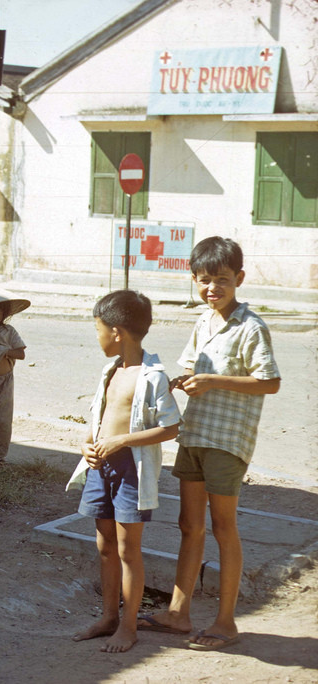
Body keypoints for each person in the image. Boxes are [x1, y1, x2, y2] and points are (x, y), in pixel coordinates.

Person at [136, 237, 280, 652]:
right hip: (195, 434)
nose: (212, 288)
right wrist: (182, 382)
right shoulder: (205, 320)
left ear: (239, 278)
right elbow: (193, 368)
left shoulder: (252, 326)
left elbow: (269, 382)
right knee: (189, 526)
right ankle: (178, 614)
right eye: (204, 280)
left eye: (221, 280)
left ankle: (226, 622)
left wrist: (214, 380)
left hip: (227, 441)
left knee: (223, 527)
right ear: (194, 280)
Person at [66, 289, 182, 653]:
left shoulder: (152, 377)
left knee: (128, 549)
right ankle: (108, 617)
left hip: (132, 471)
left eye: (98, 329)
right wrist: (90, 442)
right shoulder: (110, 370)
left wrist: (122, 442)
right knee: (104, 545)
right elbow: (98, 419)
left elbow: (171, 426)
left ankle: (128, 626)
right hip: (101, 467)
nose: (97, 336)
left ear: (116, 331)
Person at [0, 294, 29, 468]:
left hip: (4, 381)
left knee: (2, 418)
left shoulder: (9, 332)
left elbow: (20, 353)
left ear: (4, 313)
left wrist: (2, 351)